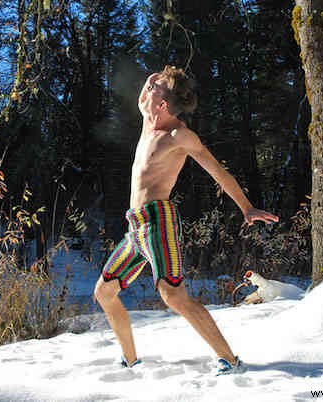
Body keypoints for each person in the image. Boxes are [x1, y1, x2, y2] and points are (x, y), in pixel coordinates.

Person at [93, 66, 279, 375]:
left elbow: (217, 170)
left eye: (154, 88)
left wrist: (246, 208)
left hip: (158, 221)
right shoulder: (147, 117)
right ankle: (130, 361)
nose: (147, 89)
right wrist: (161, 75)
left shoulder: (179, 135)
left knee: (173, 296)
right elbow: (145, 91)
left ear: (163, 104)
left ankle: (230, 361)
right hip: (134, 226)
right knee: (104, 291)